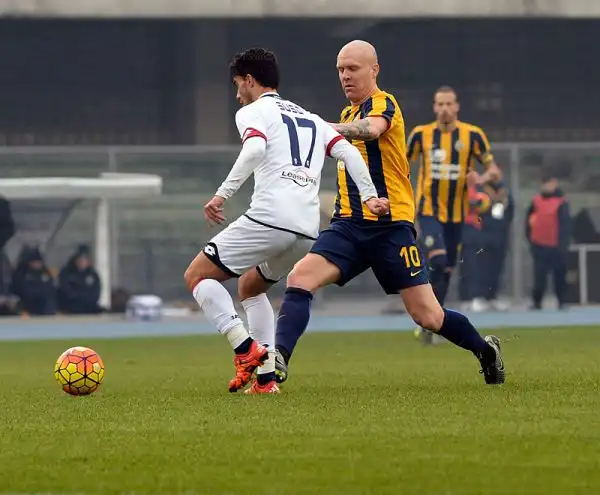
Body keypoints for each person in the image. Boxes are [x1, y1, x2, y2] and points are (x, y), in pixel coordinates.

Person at [274, 40, 505, 385]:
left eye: (352, 68)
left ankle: (486, 352)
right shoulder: (346, 114)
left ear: (374, 70)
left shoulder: (383, 104)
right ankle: (277, 361)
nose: (345, 76)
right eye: (340, 69)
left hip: (389, 228)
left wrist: (324, 128)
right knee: (299, 279)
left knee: (428, 316)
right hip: (348, 226)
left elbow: (372, 130)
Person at [183, 48, 388, 395]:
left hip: (270, 218)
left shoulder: (252, 111)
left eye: (237, 85)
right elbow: (349, 151)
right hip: (307, 230)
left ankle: (245, 349)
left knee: (197, 276)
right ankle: (265, 379)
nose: (237, 94)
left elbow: (253, 150)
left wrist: (221, 195)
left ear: (250, 80)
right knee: (250, 286)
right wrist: (369, 196)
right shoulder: (310, 118)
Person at [407, 86, 502, 342]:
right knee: (438, 260)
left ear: (457, 106)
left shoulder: (472, 135)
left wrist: (480, 179)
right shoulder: (420, 135)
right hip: (428, 210)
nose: (445, 109)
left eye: (449, 104)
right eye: (440, 104)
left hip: (458, 216)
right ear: (434, 107)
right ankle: (425, 312)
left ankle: (432, 322)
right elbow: (401, 166)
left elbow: (494, 171)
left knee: (446, 269)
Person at [526, 173, 571, 310]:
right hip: (539, 245)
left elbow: (565, 225)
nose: (547, 186)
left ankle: (562, 301)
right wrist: (531, 240)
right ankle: (537, 302)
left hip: (556, 246)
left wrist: (563, 245)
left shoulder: (561, 202)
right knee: (539, 276)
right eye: (545, 183)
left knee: (559, 275)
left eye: (550, 183)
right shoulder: (535, 201)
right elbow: (528, 222)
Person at [10, 246, 57, 316]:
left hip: (44, 302)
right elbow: (23, 290)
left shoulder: (44, 272)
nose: (37, 264)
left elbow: (51, 287)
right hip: (28, 303)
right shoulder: (21, 273)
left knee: (49, 301)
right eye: (35, 262)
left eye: (39, 262)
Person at [58, 244, 103, 314]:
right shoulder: (67, 273)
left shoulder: (93, 274)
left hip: (89, 306)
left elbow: (96, 292)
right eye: (80, 259)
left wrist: (88, 299)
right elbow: (65, 290)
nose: (82, 262)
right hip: (71, 307)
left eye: (85, 259)